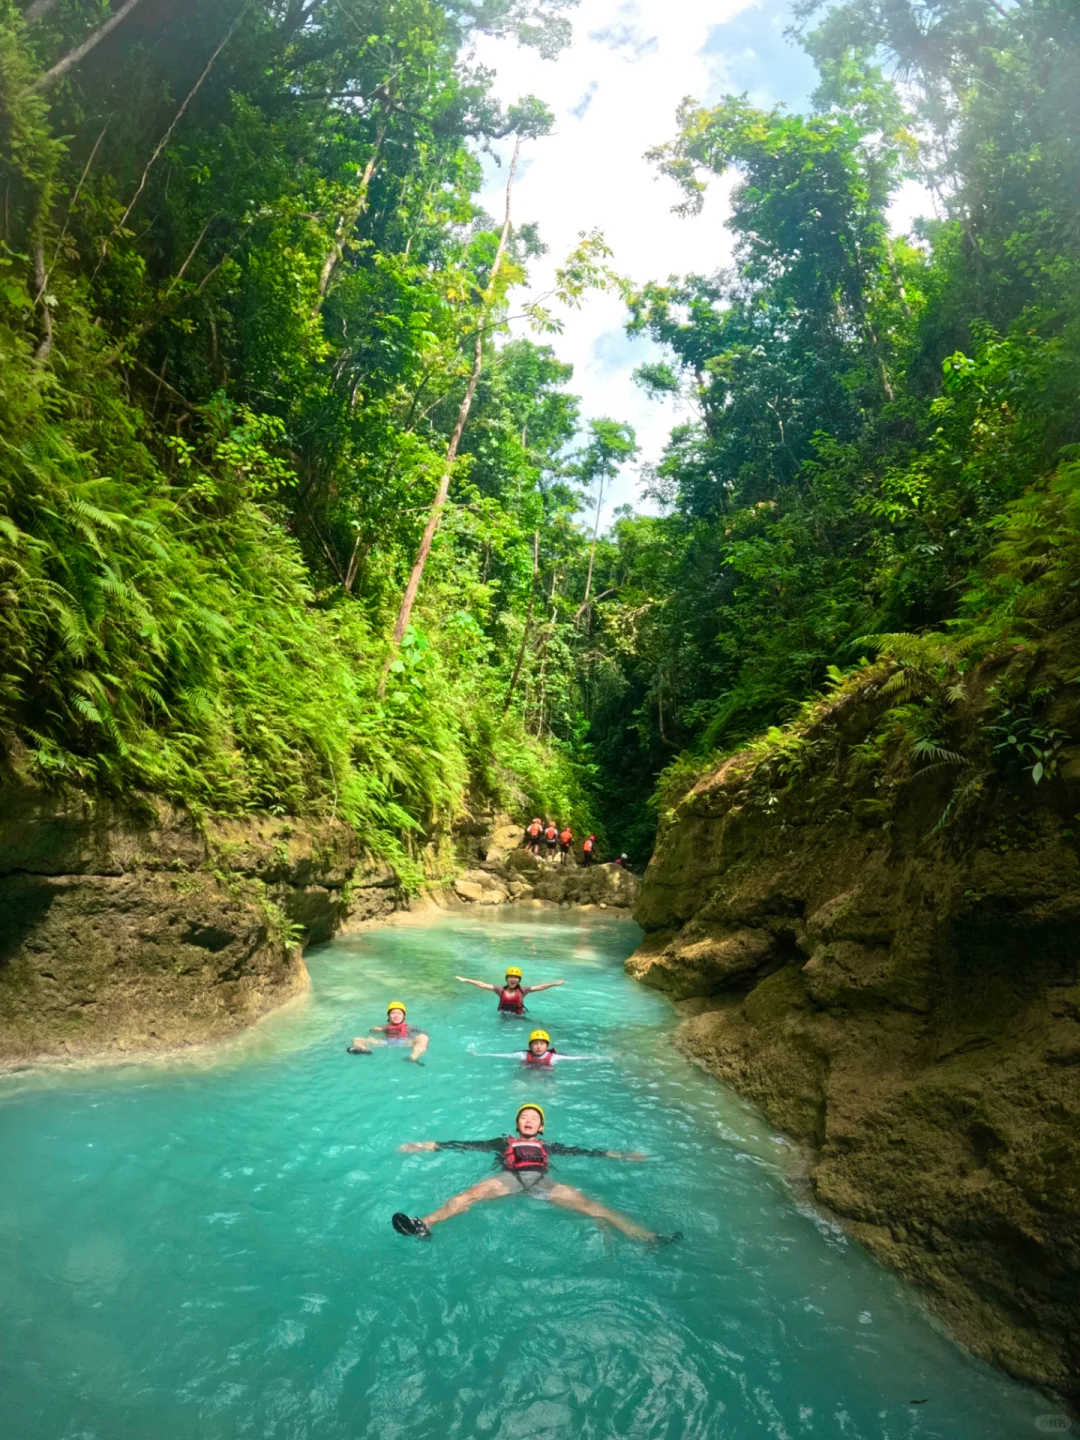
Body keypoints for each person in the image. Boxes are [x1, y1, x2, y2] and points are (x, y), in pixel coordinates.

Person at [391, 1103, 679, 1244]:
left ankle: (646, 1237)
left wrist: (622, 1155)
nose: (529, 1120)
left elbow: (585, 1151)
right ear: (517, 1124)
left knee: (592, 1206)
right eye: (524, 1117)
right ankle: (423, 1224)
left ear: (540, 1127)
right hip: (508, 1179)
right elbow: (467, 1144)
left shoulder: (548, 1145)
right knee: (470, 1194)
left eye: (534, 1118)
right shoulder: (503, 1142)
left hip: (544, 1181)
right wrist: (428, 1145)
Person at [470, 1028, 610, 1068]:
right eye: (535, 1043)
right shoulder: (523, 1055)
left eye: (542, 1044)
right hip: (525, 1075)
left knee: (551, 1091)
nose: (538, 1046)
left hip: (546, 1078)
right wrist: (480, 1055)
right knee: (517, 1088)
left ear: (547, 1046)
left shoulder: (554, 1057)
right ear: (530, 1046)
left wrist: (606, 1057)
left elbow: (577, 1058)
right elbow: (502, 1055)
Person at [455, 966, 564, 1017]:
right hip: (503, 1016)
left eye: (516, 977)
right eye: (510, 977)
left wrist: (553, 984)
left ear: (519, 980)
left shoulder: (523, 990)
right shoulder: (500, 990)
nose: (513, 979)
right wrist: (466, 980)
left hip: (519, 1018)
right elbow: (482, 984)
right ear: (506, 979)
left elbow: (540, 987)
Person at [347, 1002, 429, 1063]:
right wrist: (374, 1029)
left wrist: (420, 1039)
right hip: (386, 1042)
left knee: (423, 1037)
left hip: (405, 1042)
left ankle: (413, 1057)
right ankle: (364, 1050)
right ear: (389, 1016)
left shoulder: (410, 1026)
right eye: (393, 1013)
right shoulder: (383, 1027)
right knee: (357, 1039)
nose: (396, 1015)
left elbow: (423, 1033)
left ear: (404, 1016)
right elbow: (370, 1031)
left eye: (399, 1013)